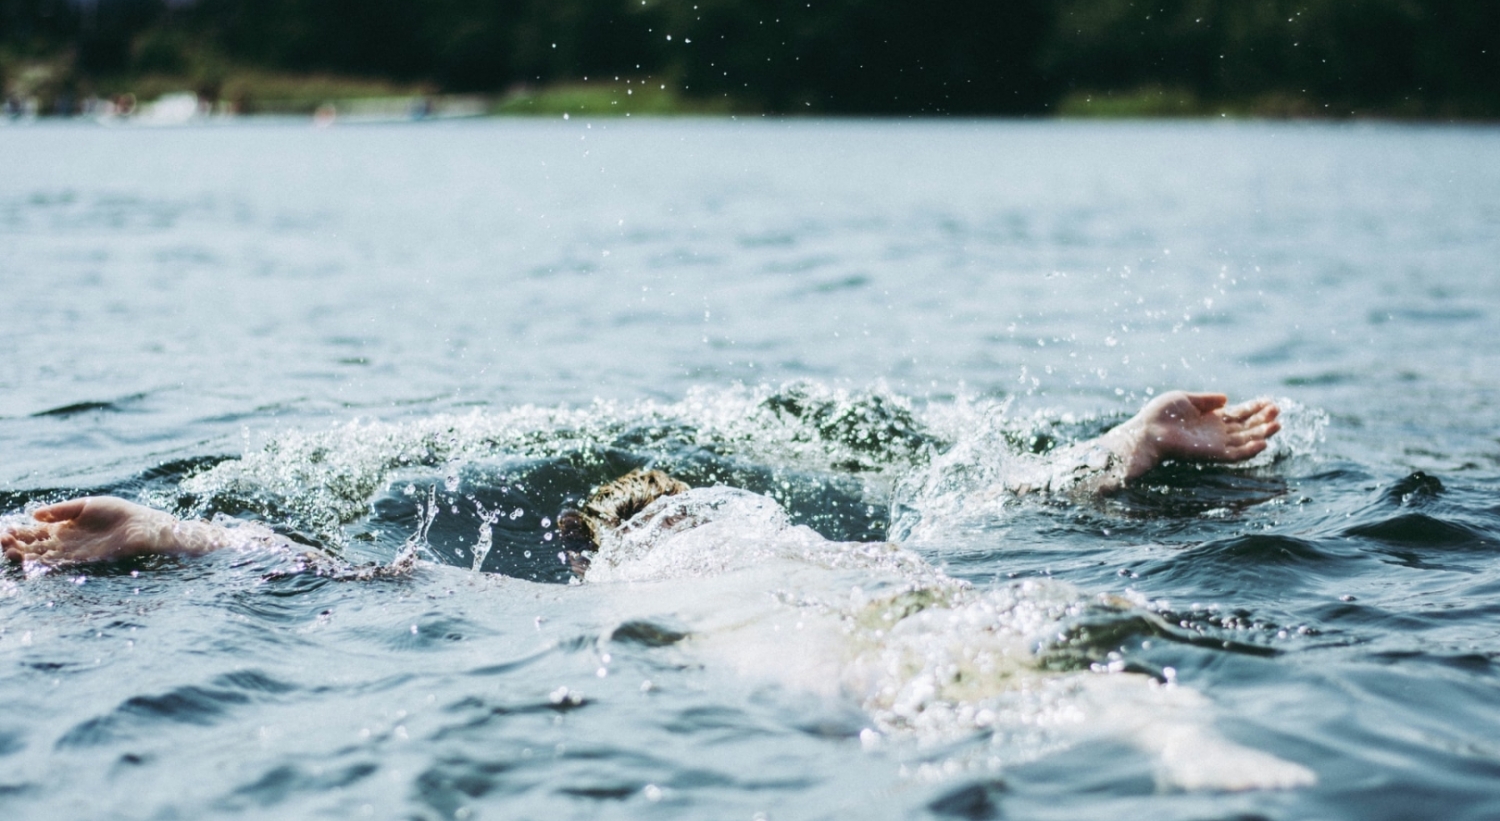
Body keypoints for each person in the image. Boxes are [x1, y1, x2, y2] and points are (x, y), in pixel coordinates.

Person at [1, 391, 1279, 570]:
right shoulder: (838, 533)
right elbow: (1001, 504)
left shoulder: (608, 592)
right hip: (879, 578)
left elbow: (350, 575)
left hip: (780, 614)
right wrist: (1127, 446)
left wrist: (164, 531)